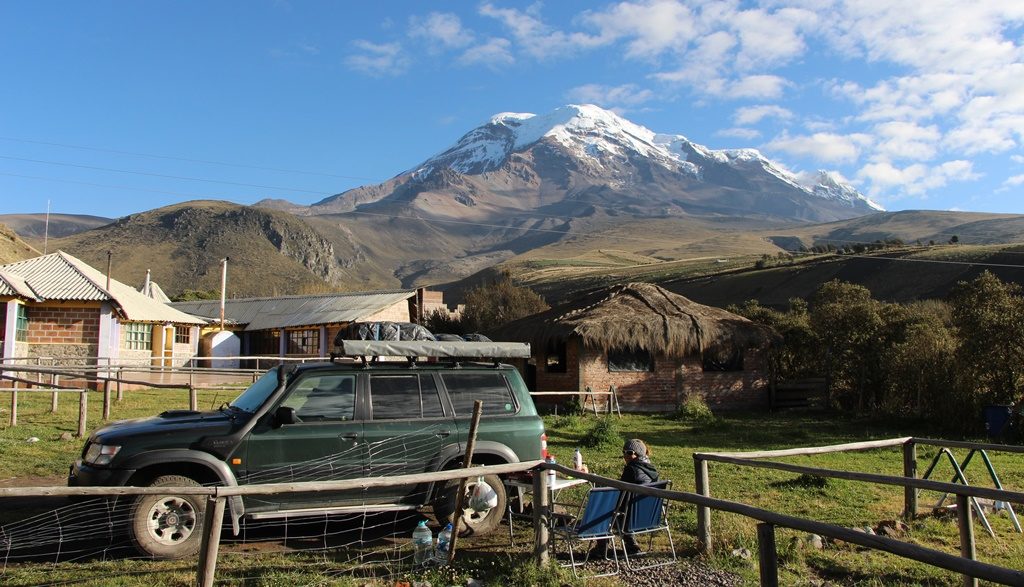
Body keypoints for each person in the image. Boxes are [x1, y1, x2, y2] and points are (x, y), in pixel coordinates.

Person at [590, 438, 659, 559]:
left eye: (629, 452)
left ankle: (602, 547)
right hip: (648, 515)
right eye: (624, 452)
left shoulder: (631, 469)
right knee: (623, 508)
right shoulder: (652, 470)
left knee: (603, 507)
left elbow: (619, 491)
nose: (625, 456)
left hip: (629, 516)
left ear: (637, 454)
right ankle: (631, 545)